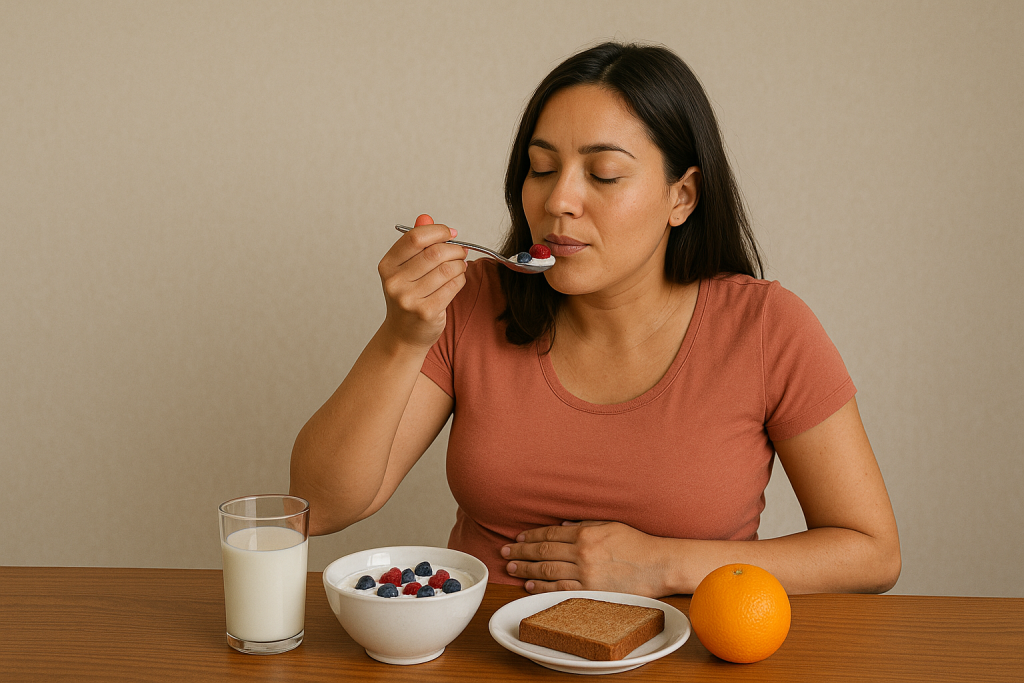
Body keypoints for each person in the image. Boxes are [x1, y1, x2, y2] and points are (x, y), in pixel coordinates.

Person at [290, 42, 901, 597]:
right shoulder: (472, 303)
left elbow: (872, 554)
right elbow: (318, 507)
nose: (558, 200)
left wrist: (665, 565)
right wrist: (402, 337)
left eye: (603, 174)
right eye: (542, 167)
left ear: (681, 198)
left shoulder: (767, 327)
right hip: (481, 656)